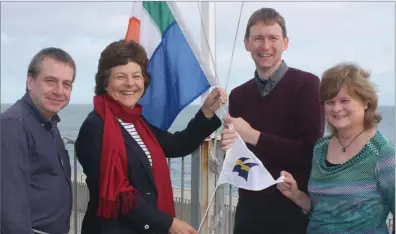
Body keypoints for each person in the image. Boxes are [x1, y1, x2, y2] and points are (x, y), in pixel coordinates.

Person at [74, 39, 227, 234]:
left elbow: (178, 145)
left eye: (136, 76)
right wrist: (168, 223)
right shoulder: (95, 127)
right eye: (120, 76)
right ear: (105, 82)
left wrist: (206, 112)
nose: (130, 84)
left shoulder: (136, 122)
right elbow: (120, 195)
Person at [219, 7, 324, 234]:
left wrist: (254, 136)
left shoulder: (307, 85)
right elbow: (240, 158)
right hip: (249, 211)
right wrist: (228, 146)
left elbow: (309, 151)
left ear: (285, 43)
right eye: (258, 38)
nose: (265, 46)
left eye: (273, 38)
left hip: (293, 211)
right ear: (246, 43)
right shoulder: (238, 95)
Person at [277, 62, 395, 234]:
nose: (336, 108)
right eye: (330, 102)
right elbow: (322, 210)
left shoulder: (383, 154)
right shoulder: (321, 149)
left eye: (345, 100)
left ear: (366, 103)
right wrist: (295, 193)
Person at [1, 48, 76, 234]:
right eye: (50, 81)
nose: (59, 91)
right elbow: (11, 206)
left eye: (66, 84)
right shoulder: (13, 126)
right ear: (30, 81)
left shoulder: (47, 122)